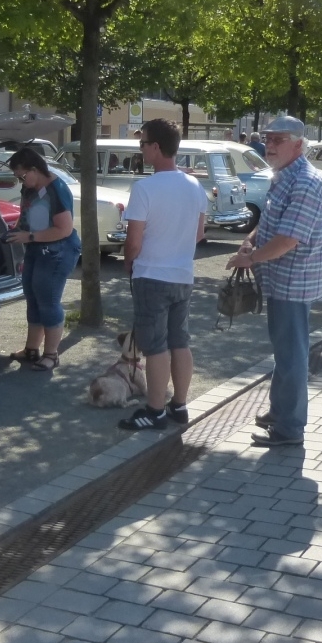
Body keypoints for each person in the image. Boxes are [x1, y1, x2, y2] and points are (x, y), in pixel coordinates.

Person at [226, 115, 322, 449]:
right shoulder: (285, 176)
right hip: (281, 280)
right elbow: (273, 221)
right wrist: (251, 239)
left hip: (293, 282)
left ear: (298, 144)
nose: (269, 145)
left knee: (292, 354)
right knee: (284, 351)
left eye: (278, 139)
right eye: (268, 138)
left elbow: (288, 239)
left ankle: (290, 428)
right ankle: (280, 411)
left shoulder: (305, 182)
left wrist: (251, 258)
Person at [118, 119, 207, 431]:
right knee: (180, 341)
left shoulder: (145, 188)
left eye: (143, 143)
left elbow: (133, 242)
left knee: (155, 346)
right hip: (183, 274)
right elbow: (199, 234)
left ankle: (155, 410)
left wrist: (129, 262)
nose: (141, 149)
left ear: (155, 147)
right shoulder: (194, 185)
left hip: (151, 275)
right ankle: (179, 405)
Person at [4, 148, 80, 372]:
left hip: (58, 250)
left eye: (22, 176)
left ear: (35, 169)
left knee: (48, 299)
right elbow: (26, 215)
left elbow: (64, 229)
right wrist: (15, 230)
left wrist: (29, 236)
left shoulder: (56, 190)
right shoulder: (30, 188)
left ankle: (51, 355)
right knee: (32, 295)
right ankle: (31, 349)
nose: (21, 181)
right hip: (37, 248)